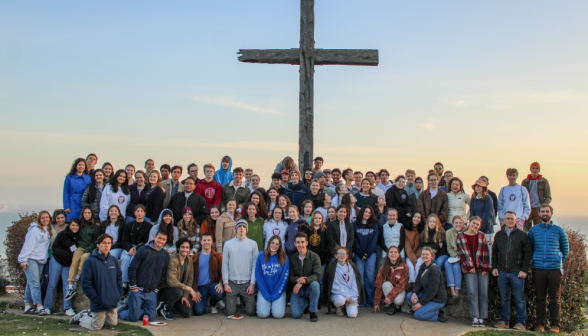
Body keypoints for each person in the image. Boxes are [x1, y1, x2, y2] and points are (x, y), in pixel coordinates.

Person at [528, 204, 569, 333]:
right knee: (540, 297)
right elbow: (530, 248)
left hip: (554, 269)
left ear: (551, 213)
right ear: (539, 213)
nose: (545, 213)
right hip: (539, 268)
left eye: (547, 211)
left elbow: (565, 249)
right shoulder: (533, 230)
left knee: (555, 298)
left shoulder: (558, 230)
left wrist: (558, 259)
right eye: (543, 211)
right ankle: (540, 324)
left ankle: (555, 325)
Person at [69, 234, 123, 331]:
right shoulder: (90, 261)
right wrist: (95, 298)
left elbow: (119, 278)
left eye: (109, 243)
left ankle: (92, 316)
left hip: (112, 301)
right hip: (98, 302)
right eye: (104, 243)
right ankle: (83, 317)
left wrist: (118, 295)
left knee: (112, 323)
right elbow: (85, 283)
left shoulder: (113, 261)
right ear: (98, 245)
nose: (106, 245)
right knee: (96, 326)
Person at [492, 211, 532, 331]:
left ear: (515, 221)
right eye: (508, 218)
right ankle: (505, 321)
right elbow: (494, 253)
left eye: (512, 219)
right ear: (504, 220)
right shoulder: (498, 235)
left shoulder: (522, 235)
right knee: (504, 298)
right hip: (502, 272)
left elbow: (527, 253)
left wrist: (524, 270)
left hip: (517, 272)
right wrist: (494, 267)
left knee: (519, 299)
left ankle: (521, 323)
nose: (510, 221)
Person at [118, 232, 170, 322]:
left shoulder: (165, 255)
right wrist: (133, 286)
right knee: (133, 318)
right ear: (154, 237)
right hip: (137, 290)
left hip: (151, 292)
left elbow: (163, 274)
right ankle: (121, 311)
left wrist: (157, 288)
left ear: (165, 241)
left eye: (163, 239)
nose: (160, 241)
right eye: (159, 238)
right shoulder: (143, 250)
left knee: (150, 318)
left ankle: (136, 312)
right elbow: (132, 268)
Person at [456, 216, 490, 327]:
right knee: (472, 292)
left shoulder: (481, 236)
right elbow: (461, 253)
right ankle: (475, 317)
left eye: (477, 225)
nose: (474, 226)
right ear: (469, 222)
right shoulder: (460, 236)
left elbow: (486, 252)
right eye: (473, 223)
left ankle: (482, 317)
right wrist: (469, 267)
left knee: (483, 292)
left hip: (481, 268)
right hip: (469, 268)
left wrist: (485, 268)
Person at [222, 219, 259, 317]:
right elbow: (225, 264)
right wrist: (225, 283)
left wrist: (252, 284)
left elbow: (255, 265)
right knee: (230, 313)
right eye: (239, 226)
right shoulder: (228, 244)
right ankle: (230, 303)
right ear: (235, 229)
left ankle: (243, 303)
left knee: (251, 312)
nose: (241, 229)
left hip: (247, 283)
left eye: (244, 227)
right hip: (232, 282)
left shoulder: (253, 244)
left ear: (247, 229)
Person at [19, 210, 53, 315]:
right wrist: (23, 260)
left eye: (47, 217)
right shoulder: (35, 230)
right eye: (43, 218)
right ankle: (39, 306)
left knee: (31, 283)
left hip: (40, 260)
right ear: (39, 219)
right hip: (31, 259)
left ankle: (27, 306)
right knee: (35, 283)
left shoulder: (47, 230)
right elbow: (28, 245)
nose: (45, 219)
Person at [45, 218, 80, 316]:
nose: (75, 227)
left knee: (68, 286)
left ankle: (68, 308)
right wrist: (66, 254)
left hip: (67, 264)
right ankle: (47, 307)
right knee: (52, 284)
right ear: (69, 225)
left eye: (77, 225)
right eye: (73, 225)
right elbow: (55, 247)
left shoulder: (78, 238)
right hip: (57, 260)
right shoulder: (62, 234)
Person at [65, 206, 101, 301]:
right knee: (75, 261)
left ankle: (77, 277)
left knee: (84, 257)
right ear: (83, 214)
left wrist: (89, 248)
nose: (87, 215)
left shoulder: (95, 226)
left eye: (89, 213)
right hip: (80, 247)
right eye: (85, 213)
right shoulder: (80, 224)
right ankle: (70, 285)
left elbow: (96, 241)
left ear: (92, 214)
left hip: (90, 248)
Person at [157, 238, 195, 320]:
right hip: (165, 290)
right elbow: (172, 282)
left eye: (187, 247)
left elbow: (189, 279)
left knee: (187, 313)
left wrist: (185, 296)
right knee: (178, 291)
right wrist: (188, 288)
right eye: (182, 247)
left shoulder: (189, 260)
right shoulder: (173, 259)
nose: (185, 250)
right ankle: (167, 310)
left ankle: (164, 306)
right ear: (178, 248)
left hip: (179, 292)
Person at [407, 247, 448, 322]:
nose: (424, 256)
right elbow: (418, 282)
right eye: (423, 254)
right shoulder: (423, 266)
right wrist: (414, 293)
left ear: (432, 256)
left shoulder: (434, 270)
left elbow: (432, 291)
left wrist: (421, 304)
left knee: (418, 315)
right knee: (409, 296)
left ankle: (437, 313)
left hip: (437, 299)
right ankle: (425, 309)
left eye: (427, 254)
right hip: (427, 295)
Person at [324, 246, 364, 318]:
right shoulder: (332, 267)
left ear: (347, 256)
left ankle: (346, 307)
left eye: (344, 254)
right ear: (336, 256)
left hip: (351, 294)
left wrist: (352, 296)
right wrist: (346, 296)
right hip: (338, 294)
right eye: (340, 254)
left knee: (352, 315)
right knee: (340, 300)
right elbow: (333, 286)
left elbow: (356, 283)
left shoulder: (352, 266)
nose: (342, 256)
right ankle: (338, 307)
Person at [289, 232, 322, 322]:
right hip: (298, 290)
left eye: (302, 242)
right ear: (295, 244)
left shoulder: (315, 257)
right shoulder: (292, 259)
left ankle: (313, 311)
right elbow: (290, 277)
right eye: (298, 242)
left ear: (307, 243)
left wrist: (303, 281)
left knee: (315, 284)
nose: (300, 245)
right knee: (296, 315)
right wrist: (297, 281)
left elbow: (317, 275)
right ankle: (306, 303)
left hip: (310, 287)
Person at [120, 205, 153, 290]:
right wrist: (130, 248)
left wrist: (137, 249)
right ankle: (124, 283)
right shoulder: (128, 225)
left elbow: (147, 240)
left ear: (144, 213)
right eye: (137, 211)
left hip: (141, 248)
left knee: (135, 259)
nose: (139, 213)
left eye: (141, 211)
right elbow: (124, 240)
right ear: (134, 213)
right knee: (125, 258)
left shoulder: (148, 227)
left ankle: (132, 282)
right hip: (129, 247)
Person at [256, 235, 290, 319]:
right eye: (273, 243)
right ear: (269, 243)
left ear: (280, 246)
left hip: (279, 290)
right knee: (262, 314)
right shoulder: (261, 256)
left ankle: (274, 305)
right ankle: (267, 304)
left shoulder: (284, 258)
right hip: (264, 290)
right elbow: (259, 276)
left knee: (278, 315)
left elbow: (284, 279)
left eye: (277, 244)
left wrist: (276, 294)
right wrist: (266, 293)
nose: (274, 246)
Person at [191, 233, 225, 315]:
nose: (206, 242)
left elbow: (223, 271)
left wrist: (220, 283)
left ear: (212, 242)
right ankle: (204, 302)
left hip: (212, 284)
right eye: (204, 240)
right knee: (198, 312)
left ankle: (213, 303)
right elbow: (191, 276)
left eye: (209, 240)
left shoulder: (217, 256)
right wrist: (195, 290)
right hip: (199, 288)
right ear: (201, 242)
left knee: (219, 293)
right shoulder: (194, 258)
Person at [353, 206, 379, 307]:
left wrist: (367, 254)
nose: (367, 214)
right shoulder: (355, 225)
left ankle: (370, 300)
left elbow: (374, 241)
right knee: (360, 278)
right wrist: (360, 253)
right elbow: (354, 240)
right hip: (359, 255)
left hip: (371, 255)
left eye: (369, 212)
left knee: (370, 278)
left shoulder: (374, 225)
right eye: (365, 212)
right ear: (362, 213)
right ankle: (361, 300)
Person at [373, 246, 408, 315]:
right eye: (391, 252)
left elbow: (401, 285)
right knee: (386, 284)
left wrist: (389, 297)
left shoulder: (404, 267)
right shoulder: (383, 267)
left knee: (398, 301)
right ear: (388, 254)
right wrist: (376, 303)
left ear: (398, 255)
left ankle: (396, 305)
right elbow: (378, 284)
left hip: (400, 290)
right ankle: (391, 305)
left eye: (395, 252)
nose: (393, 254)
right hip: (389, 289)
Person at [522, 162, 552, 229]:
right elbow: (521, 196)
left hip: (538, 209)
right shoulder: (525, 181)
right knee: (526, 230)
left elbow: (548, 196)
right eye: (533, 168)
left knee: (539, 229)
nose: (535, 170)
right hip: (527, 209)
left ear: (539, 170)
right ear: (530, 169)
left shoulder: (544, 181)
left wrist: (543, 206)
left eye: (537, 168)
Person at [444, 216, 465, 302]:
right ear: (452, 224)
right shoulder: (449, 232)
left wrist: (461, 256)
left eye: (460, 223)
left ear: (463, 224)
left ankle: (457, 291)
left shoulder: (466, 231)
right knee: (447, 264)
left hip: (464, 255)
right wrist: (455, 255)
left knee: (456, 267)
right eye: (456, 223)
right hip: (454, 255)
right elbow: (449, 248)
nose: (458, 224)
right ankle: (452, 290)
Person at [470, 178, 496, 245]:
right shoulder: (473, 199)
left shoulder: (488, 198)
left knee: (487, 250)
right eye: (476, 186)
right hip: (475, 229)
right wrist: (473, 227)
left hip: (487, 229)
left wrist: (480, 228)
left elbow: (487, 215)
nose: (477, 188)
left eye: (479, 186)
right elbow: (472, 214)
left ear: (483, 188)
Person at [404, 212, 423, 284]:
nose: (416, 219)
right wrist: (414, 260)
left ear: (420, 220)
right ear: (412, 218)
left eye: (418, 217)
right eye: (415, 217)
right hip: (410, 255)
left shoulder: (422, 231)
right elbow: (408, 248)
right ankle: (413, 284)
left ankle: (420, 284)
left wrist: (417, 257)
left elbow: (421, 246)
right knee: (410, 266)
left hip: (420, 255)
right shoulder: (406, 231)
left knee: (418, 265)